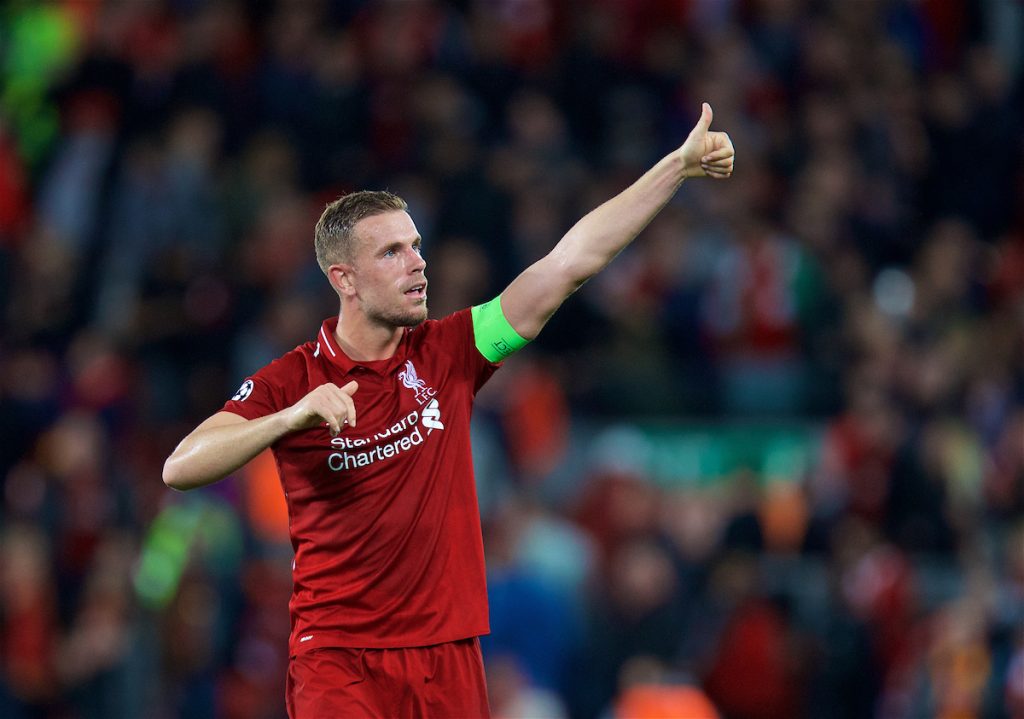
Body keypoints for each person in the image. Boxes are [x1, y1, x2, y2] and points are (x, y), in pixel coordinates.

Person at [163, 102, 734, 718]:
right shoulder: (293, 379)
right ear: (344, 278)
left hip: (447, 658)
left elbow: (569, 264)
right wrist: (285, 420)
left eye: (416, 246)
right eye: (391, 253)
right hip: (340, 660)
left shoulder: (452, 352)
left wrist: (675, 169)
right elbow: (181, 466)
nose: (417, 263)